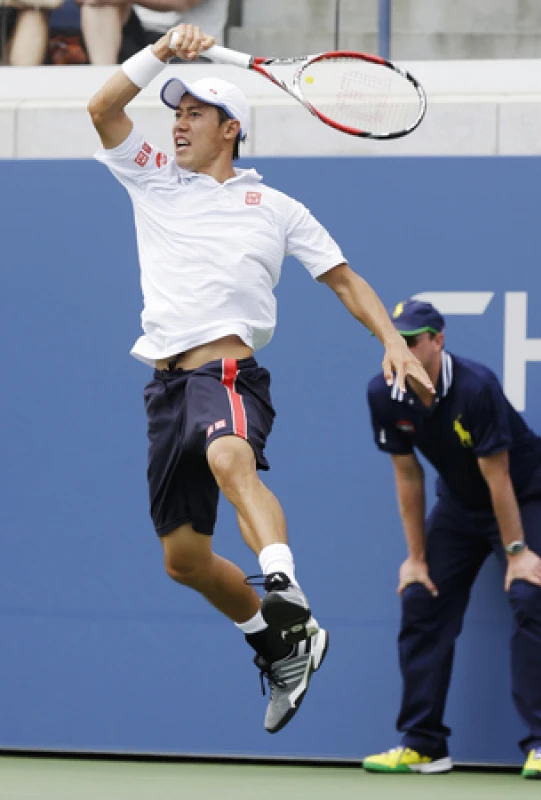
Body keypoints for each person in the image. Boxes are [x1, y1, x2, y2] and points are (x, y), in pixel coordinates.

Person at [87, 25, 435, 734]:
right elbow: (101, 107)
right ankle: (279, 642)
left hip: (228, 373)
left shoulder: (278, 209)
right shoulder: (153, 174)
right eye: (174, 112)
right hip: (165, 389)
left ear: (230, 129)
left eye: (193, 113)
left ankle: (285, 587)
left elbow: (344, 281)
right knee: (184, 561)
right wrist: (160, 53)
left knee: (227, 456)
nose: (177, 123)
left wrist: (392, 339)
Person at [362, 299, 541, 779]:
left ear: (438, 341)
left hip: (528, 495)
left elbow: (498, 477)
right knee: (421, 595)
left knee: (526, 592)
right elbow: (408, 476)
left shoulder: (476, 386)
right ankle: (423, 743)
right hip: (459, 506)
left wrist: (517, 554)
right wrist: (416, 558)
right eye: (396, 340)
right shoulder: (383, 393)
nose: (404, 349)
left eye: (413, 340)